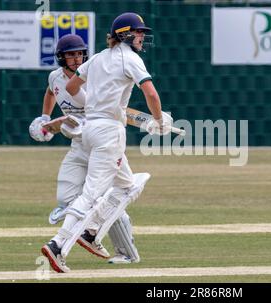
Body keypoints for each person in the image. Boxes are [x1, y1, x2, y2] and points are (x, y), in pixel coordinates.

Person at [41, 12, 172, 273]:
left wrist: (100, 108)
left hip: (91, 130)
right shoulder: (131, 59)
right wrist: (158, 120)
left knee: (127, 185)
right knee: (91, 194)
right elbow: (151, 93)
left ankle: (90, 232)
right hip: (109, 134)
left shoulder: (99, 57)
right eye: (138, 32)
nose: (142, 37)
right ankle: (57, 245)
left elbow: (72, 87)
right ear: (125, 34)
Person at [29, 34, 143, 266]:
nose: (76, 58)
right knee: (69, 198)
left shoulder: (93, 76)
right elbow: (51, 92)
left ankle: (119, 248)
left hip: (102, 140)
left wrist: (148, 121)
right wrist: (45, 117)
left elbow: (110, 108)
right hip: (80, 144)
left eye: (79, 53)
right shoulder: (55, 77)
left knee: (110, 194)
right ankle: (91, 235)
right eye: (71, 55)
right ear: (62, 57)